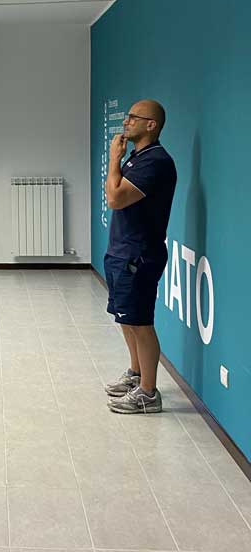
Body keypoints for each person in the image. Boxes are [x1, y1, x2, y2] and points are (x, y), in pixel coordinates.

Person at [103, 99, 177, 414]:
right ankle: (136, 373)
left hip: (139, 254)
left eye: (134, 117)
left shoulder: (156, 161)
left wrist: (113, 160)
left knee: (140, 322)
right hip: (121, 251)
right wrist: (120, 161)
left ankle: (148, 392)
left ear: (151, 125)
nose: (126, 121)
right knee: (126, 318)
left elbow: (115, 197)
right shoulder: (138, 158)